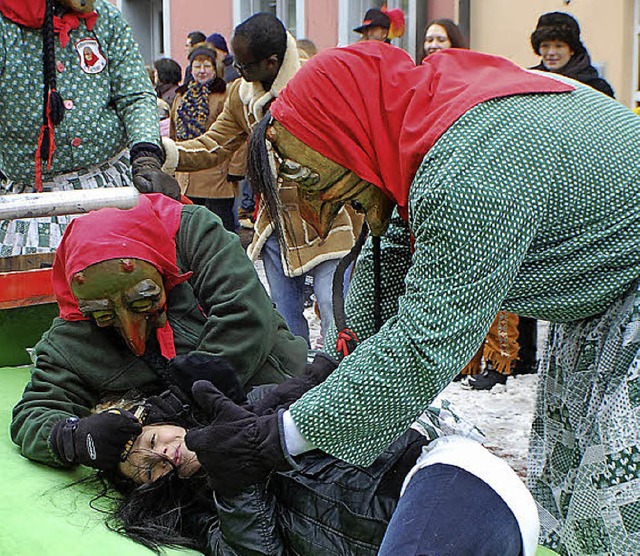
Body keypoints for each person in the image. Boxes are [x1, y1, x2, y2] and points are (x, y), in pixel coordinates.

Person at [189, 41, 640, 555]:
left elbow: (424, 345)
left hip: (630, 300)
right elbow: (391, 278)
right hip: (607, 302)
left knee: (616, 511)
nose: (318, 209)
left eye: (308, 177)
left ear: (348, 128)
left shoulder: (467, 168)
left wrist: (279, 437)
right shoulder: (422, 129)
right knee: (574, 496)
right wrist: (327, 372)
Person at [10, 193, 308, 472]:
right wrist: (73, 438)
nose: (130, 327)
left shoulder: (195, 237)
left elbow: (244, 316)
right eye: (103, 314)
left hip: (281, 392)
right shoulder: (72, 338)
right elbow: (34, 413)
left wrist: (185, 398)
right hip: (194, 455)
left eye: (144, 301)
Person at [94, 375, 538, 556]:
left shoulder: (253, 406)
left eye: (154, 440)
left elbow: (355, 400)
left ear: (167, 420)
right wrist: (235, 480)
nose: (163, 454)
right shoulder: (208, 519)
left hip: (445, 483)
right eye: (148, 470)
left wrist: (258, 436)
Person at [161, 12, 361, 347]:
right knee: (282, 313)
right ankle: (294, 379)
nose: (235, 71)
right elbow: (215, 144)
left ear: (271, 62)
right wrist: (169, 155)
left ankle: (338, 379)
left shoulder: (318, 82)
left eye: (243, 65)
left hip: (329, 217)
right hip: (277, 221)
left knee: (334, 309)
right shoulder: (242, 94)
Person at [0, 0, 177, 257]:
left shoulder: (105, 18)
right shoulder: (6, 25)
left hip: (111, 189)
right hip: (30, 204)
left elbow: (136, 95)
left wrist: (146, 157)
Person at [170, 43, 240, 231]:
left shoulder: (224, 94)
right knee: (192, 228)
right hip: (187, 174)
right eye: (197, 66)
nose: (201, 71)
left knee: (220, 227)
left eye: (206, 66)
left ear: (215, 68)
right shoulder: (181, 96)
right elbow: (173, 132)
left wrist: (236, 169)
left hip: (217, 173)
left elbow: (238, 135)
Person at [530, 11, 615, 98]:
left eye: (559, 46)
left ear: (572, 49)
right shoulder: (529, 82)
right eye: (545, 46)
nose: (551, 52)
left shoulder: (596, 88)